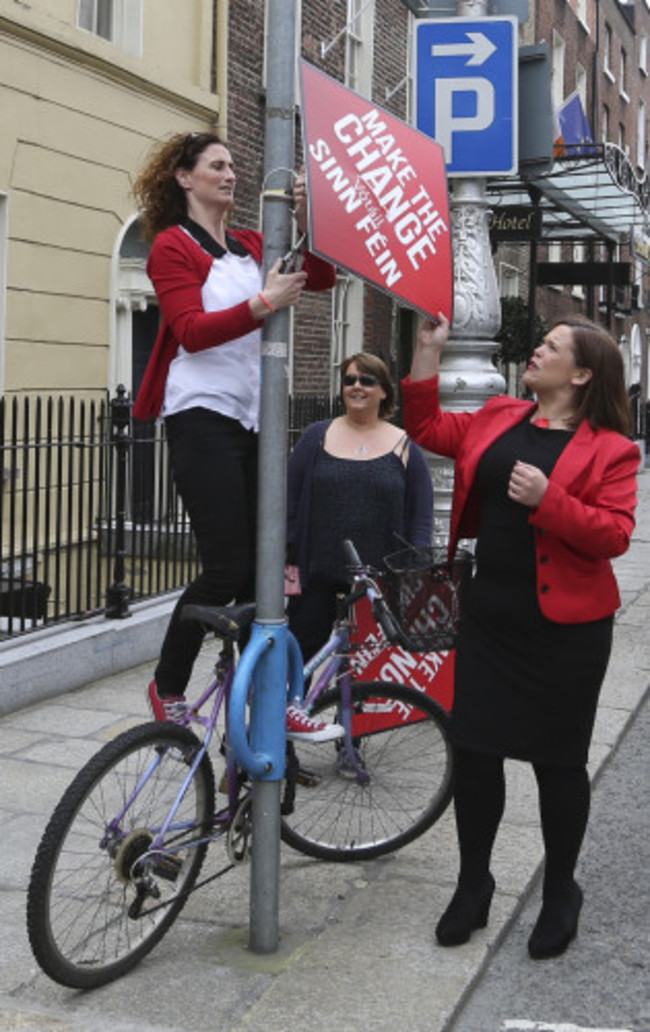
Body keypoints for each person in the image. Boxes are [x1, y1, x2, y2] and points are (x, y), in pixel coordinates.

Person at [402, 313, 638, 960]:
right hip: (490, 617)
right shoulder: (498, 415)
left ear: (582, 373)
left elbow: (613, 534)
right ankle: (473, 883)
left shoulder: (613, 449)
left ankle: (561, 890)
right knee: (475, 753)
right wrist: (428, 352)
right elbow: (424, 428)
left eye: (552, 346)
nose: (536, 350)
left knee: (556, 763)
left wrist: (548, 498)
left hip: (566, 632)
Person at [132, 130, 340, 742]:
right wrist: (262, 303)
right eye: (217, 165)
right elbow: (191, 331)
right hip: (201, 417)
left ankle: (266, 703)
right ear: (184, 176)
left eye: (233, 165)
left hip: (254, 422)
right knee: (227, 566)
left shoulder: (251, 245)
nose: (230, 174)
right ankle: (168, 685)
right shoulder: (173, 246)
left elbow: (321, 277)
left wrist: (306, 215)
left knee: (265, 573)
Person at [286, 352, 434, 665]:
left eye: (366, 380)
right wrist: (288, 565)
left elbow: (420, 520)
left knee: (371, 670)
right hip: (318, 576)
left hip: (378, 584)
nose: (356, 386)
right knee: (298, 662)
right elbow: (289, 503)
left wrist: (414, 575)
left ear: (384, 391)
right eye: (349, 380)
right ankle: (293, 713)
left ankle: (351, 713)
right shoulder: (316, 437)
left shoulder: (405, 447)